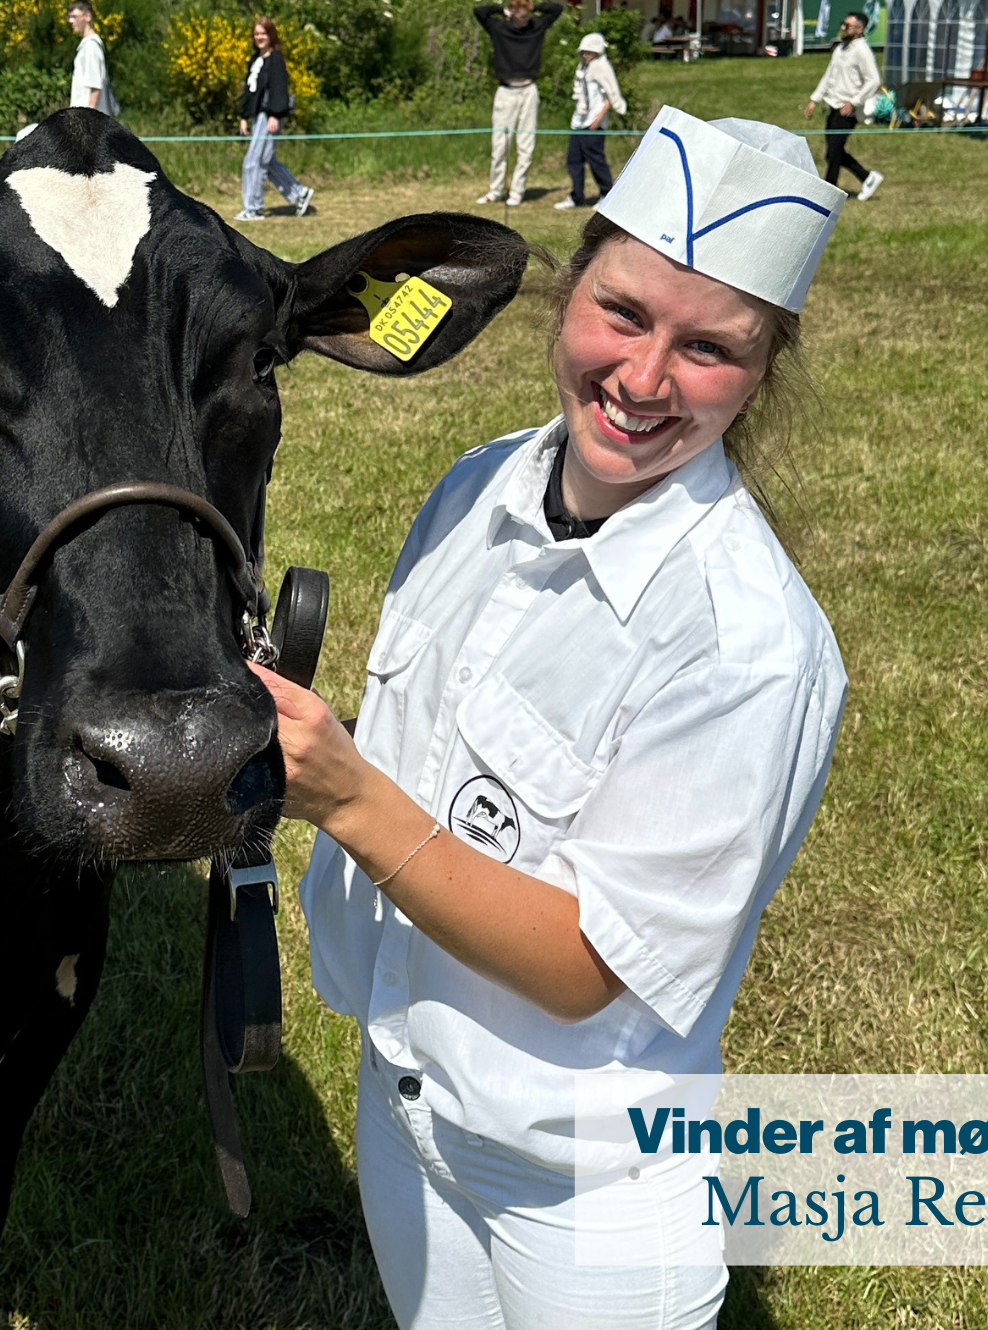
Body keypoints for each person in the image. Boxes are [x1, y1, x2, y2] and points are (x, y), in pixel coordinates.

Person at [261, 106, 849, 1330]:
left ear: (763, 369)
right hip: (404, 1101)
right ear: (566, 288)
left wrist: (348, 798)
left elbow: (586, 968)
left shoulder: (746, 644)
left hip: (585, 1184)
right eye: (622, 314)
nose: (641, 381)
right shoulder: (477, 486)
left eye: (710, 350)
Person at [472, 0, 565, 208]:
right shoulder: (499, 28)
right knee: (499, 145)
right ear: (511, 13)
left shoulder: (537, 25)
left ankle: (517, 192)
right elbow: (479, 11)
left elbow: (557, 9)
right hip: (506, 91)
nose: (523, 19)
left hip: (528, 90)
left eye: (526, 15)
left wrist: (535, 8)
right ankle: (496, 191)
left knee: (526, 145)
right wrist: (501, 10)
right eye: (519, 15)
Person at [235, 17, 314, 222]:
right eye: (256, 34)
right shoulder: (256, 60)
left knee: (254, 161)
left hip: (269, 116)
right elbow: (249, 92)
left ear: (271, 35)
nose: (259, 37)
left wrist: (275, 115)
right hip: (257, 116)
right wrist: (243, 117)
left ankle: (253, 208)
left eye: (263, 33)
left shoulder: (276, 59)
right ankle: (299, 193)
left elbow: (280, 88)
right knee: (266, 161)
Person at [803, 12, 884, 200]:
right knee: (833, 152)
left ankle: (828, 192)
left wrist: (854, 102)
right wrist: (815, 99)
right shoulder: (840, 49)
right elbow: (829, 75)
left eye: (847, 25)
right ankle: (867, 177)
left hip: (848, 110)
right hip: (833, 105)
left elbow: (874, 80)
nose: (843, 28)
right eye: (843, 24)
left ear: (859, 29)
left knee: (834, 152)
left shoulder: (862, 51)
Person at [555, 31, 625, 211]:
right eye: (584, 52)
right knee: (574, 159)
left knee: (596, 160)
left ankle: (607, 194)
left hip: (594, 123)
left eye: (589, 52)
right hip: (579, 121)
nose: (586, 55)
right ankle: (576, 196)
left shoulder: (602, 67)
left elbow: (611, 94)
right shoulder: (584, 68)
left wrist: (598, 118)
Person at [66, 0, 117, 117]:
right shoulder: (86, 46)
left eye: (75, 17)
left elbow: (95, 86)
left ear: (87, 17)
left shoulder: (91, 47)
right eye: (70, 17)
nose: (71, 21)